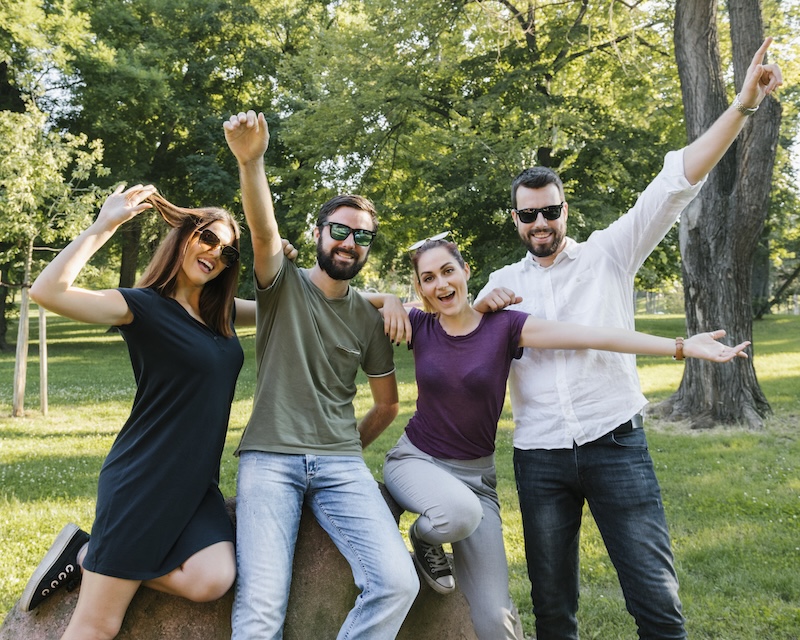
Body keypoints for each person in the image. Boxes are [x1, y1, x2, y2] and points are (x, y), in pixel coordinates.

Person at [474, 37, 783, 640]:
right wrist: (483, 309)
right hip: (539, 458)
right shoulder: (501, 283)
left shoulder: (609, 255)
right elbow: (448, 327)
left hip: (616, 445)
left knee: (657, 604)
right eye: (528, 215)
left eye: (550, 211)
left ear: (566, 209)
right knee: (553, 611)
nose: (541, 223)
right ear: (514, 219)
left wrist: (743, 106)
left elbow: (677, 183)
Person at [375, 236, 749, 640]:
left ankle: (430, 536)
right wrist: (388, 299)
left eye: (448, 271)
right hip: (417, 462)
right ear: (419, 287)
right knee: (456, 514)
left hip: (476, 481)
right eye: (427, 278)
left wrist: (680, 347)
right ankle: (426, 538)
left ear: (466, 272)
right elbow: (338, 292)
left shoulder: (505, 327)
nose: (440, 285)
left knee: (494, 620)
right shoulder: (420, 325)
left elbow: (592, 336)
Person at [22, 184, 256, 639]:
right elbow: (48, 292)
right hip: (144, 481)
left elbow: (301, 308)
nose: (215, 254)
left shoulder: (222, 314)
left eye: (227, 252)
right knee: (97, 627)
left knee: (213, 579)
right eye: (208, 238)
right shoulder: (142, 307)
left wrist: (385, 303)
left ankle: (89, 554)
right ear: (185, 236)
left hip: (195, 487)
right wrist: (105, 223)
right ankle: (99, 555)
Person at [222, 110, 419, 640]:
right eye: (340, 230)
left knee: (398, 582)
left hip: (342, 466)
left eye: (361, 237)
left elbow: (387, 406)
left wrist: (342, 445)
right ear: (318, 232)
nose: (349, 242)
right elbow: (263, 232)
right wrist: (252, 160)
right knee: (262, 607)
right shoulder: (281, 286)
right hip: (269, 458)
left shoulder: (372, 317)